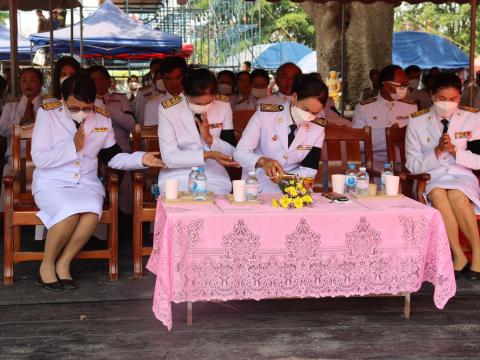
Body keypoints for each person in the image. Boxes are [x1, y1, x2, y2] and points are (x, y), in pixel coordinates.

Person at [32, 73, 163, 291]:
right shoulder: (47, 115)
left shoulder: (102, 118)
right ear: (63, 99)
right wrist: (72, 147)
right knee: (69, 212)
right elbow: (40, 159)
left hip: (86, 183)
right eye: (73, 108)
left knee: (92, 212)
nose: (81, 113)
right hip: (52, 182)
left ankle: (64, 263)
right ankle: (46, 266)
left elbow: (112, 157)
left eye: (87, 107)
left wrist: (142, 158)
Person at [405, 73, 480, 280]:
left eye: (453, 99)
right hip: (431, 176)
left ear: (460, 97)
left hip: (461, 174)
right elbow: (412, 165)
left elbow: (478, 160)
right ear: (431, 96)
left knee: (456, 194)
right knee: (438, 193)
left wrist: (456, 152)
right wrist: (437, 151)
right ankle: (458, 256)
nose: (448, 104)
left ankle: (478, 257)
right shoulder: (417, 121)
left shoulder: (472, 118)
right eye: (442, 99)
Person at [235, 74, 328, 194]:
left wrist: (285, 180)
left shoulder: (318, 127)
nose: (309, 116)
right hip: (259, 182)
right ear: (294, 97)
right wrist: (263, 161)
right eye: (305, 109)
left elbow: (309, 169)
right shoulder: (265, 115)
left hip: (295, 185)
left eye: (315, 112)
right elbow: (240, 153)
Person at [158, 68, 238, 194]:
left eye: (208, 102)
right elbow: (169, 157)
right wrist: (208, 155)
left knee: (217, 205)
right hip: (177, 174)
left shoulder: (223, 105)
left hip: (214, 174)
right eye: (198, 103)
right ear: (186, 94)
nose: (203, 107)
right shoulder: (168, 110)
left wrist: (210, 139)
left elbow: (232, 152)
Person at [88, 65, 136, 215]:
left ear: (109, 82)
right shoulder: (83, 102)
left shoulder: (120, 99)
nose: (96, 83)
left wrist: (106, 109)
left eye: (100, 79)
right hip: (93, 151)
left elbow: (131, 124)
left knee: (121, 172)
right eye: (92, 80)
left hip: (119, 149)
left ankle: (122, 217)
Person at [353, 65, 417, 171]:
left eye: (406, 84)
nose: (405, 88)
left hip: (404, 165)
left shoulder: (411, 107)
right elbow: (357, 143)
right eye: (401, 85)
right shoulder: (364, 108)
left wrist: (400, 137)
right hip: (373, 165)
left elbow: (417, 140)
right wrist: (389, 138)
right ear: (386, 85)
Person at [144, 56, 187, 126]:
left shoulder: (197, 100)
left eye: (177, 78)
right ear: (163, 79)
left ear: (185, 76)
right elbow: (150, 134)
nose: (173, 83)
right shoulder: (152, 106)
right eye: (169, 78)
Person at [133, 59, 164, 124]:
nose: (157, 74)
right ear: (150, 72)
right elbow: (139, 115)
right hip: (148, 127)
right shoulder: (143, 92)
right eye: (154, 71)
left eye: (159, 71)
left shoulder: (171, 90)